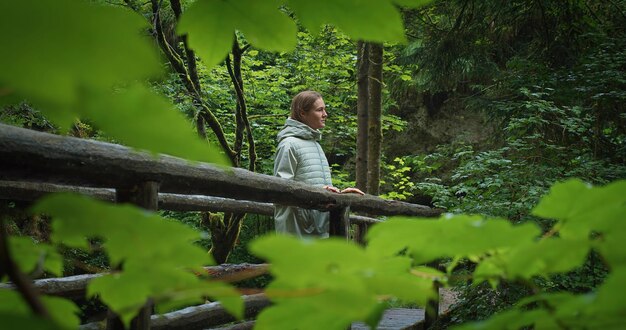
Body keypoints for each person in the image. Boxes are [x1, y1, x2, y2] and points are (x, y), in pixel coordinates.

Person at [273, 90, 364, 238]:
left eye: (324, 109)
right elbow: (281, 188)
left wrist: (340, 195)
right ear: (303, 113)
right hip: (298, 232)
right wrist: (317, 192)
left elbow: (314, 184)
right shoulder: (289, 144)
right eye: (320, 110)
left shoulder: (314, 144)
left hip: (318, 227)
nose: (325, 114)